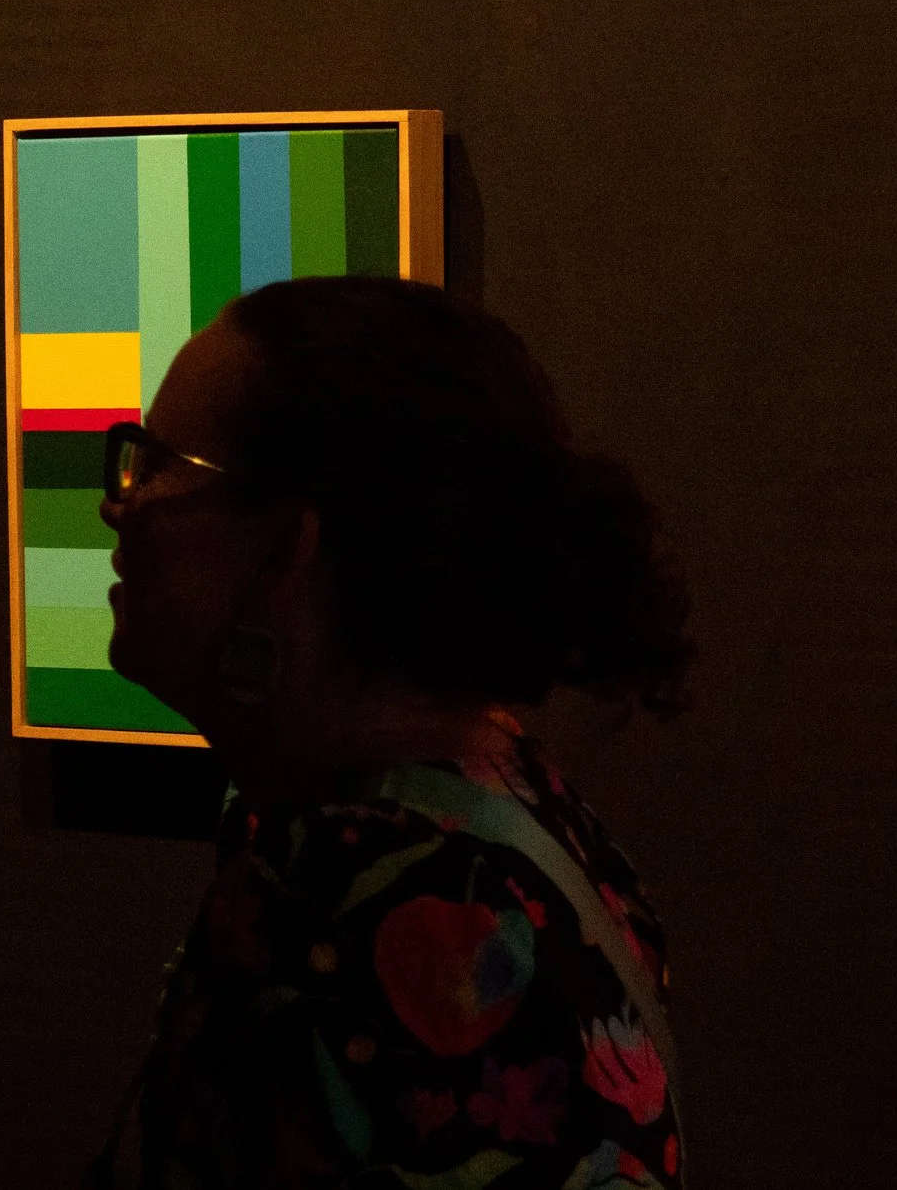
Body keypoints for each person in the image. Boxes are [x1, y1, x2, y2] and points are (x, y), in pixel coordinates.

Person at [93, 276, 693, 1190]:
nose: (121, 503)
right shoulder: (502, 802)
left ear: (286, 549)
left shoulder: (339, 913)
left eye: (160, 464)